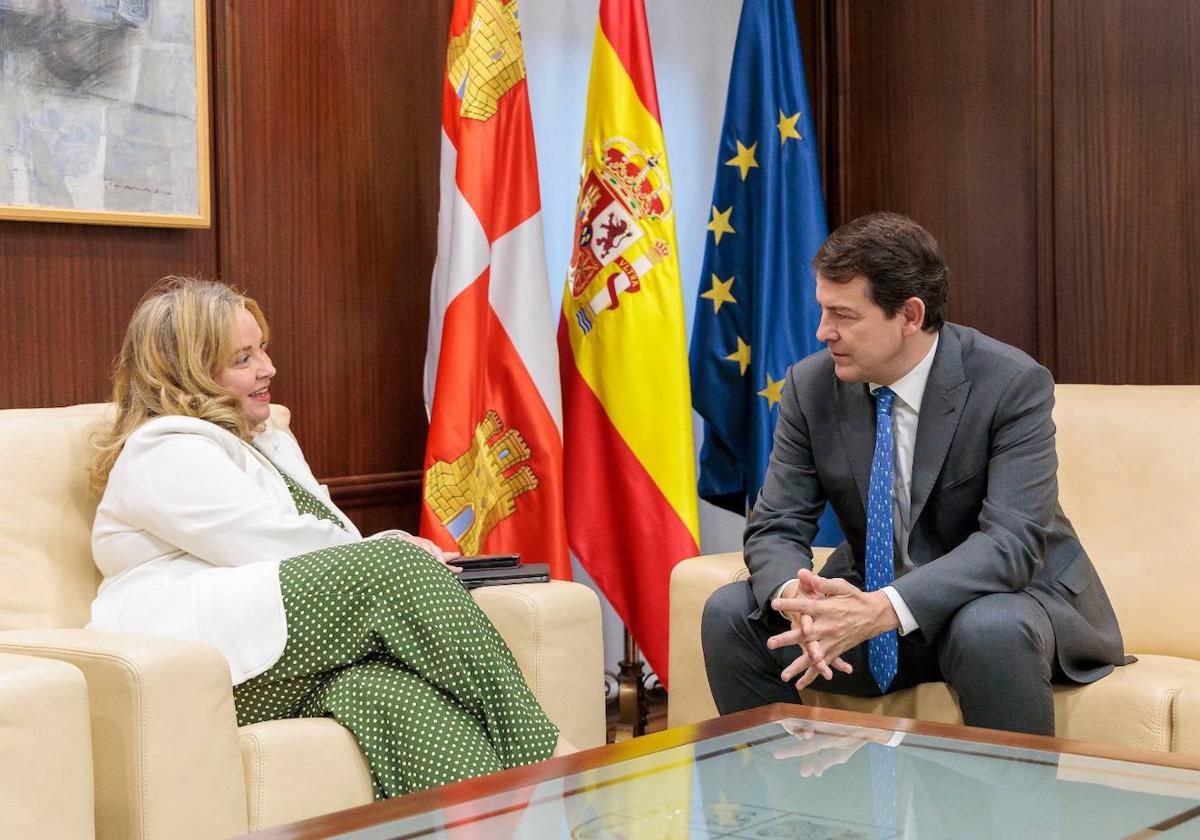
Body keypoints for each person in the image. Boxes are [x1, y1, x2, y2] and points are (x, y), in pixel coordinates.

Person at [87, 276, 570, 798]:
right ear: (187, 375)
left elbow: (333, 536)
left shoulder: (264, 439)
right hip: (202, 661)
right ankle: (554, 767)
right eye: (243, 358)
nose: (268, 368)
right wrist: (388, 552)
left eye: (262, 349)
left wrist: (377, 552)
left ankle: (518, 822)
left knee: (395, 698)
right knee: (396, 567)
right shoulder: (161, 452)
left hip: (277, 650)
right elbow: (277, 544)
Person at [701, 213, 1128, 736]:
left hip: (1003, 602)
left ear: (909, 314)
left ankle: (1022, 819)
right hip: (879, 611)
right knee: (729, 611)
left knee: (986, 628)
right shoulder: (810, 386)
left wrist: (883, 608)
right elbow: (776, 524)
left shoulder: (1010, 384)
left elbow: (1012, 543)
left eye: (843, 315)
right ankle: (789, 808)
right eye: (822, 311)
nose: (823, 332)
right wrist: (799, 600)